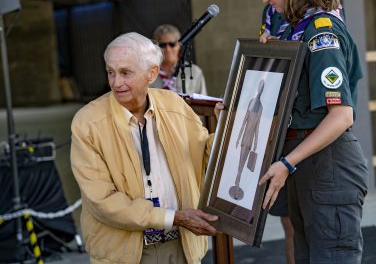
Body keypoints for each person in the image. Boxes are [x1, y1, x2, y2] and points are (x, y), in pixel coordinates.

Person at [251, 0, 369, 263]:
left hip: (326, 162)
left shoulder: (321, 31)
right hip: (300, 159)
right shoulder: (291, 28)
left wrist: (287, 163)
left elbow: (342, 116)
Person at [71, 32, 219, 264]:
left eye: (125, 73)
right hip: (124, 253)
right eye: (111, 72)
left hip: (181, 247)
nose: (116, 82)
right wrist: (174, 217)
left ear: (151, 74)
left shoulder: (175, 105)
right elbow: (102, 201)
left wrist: (228, 129)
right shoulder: (87, 122)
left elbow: (205, 159)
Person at [259, 4, 295, 264]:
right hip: (280, 128)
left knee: (315, 225)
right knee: (289, 222)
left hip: (309, 132)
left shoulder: (323, 13)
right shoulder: (271, 11)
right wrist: (267, 48)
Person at [229, 79, 264, 201]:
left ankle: (237, 185)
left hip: (249, 140)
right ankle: (237, 186)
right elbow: (244, 122)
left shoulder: (261, 107)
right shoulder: (251, 102)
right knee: (240, 164)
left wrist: (255, 144)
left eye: (262, 87)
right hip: (244, 138)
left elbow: (257, 128)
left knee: (242, 165)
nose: (260, 89)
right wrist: (238, 138)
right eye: (260, 86)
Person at [150, 24, 207, 95]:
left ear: (179, 45)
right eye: (163, 45)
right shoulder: (149, 71)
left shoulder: (195, 72)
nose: (168, 49)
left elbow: (203, 101)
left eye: (172, 44)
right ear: (156, 47)